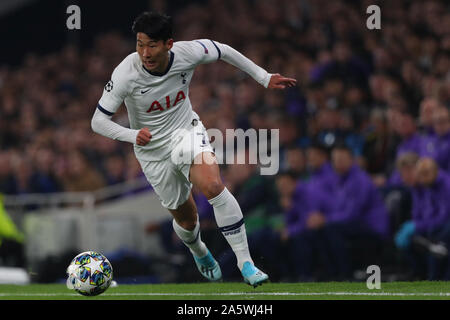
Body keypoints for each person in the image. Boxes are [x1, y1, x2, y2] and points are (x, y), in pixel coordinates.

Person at [90, 12, 296, 287]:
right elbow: (98, 121)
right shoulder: (126, 73)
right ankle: (199, 250)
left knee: (212, 186)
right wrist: (131, 134)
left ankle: (246, 263)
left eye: (152, 45)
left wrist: (263, 77)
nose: (145, 52)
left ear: (169, 44)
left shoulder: (188, 53)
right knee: (187, 220)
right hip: (151, 151)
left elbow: (223, 50)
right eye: (140, 44)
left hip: (186, 132)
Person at [395, 158, 450, 280]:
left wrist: (419, 226)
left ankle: (435, 279)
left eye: (426, 173)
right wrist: (417, 225)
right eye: (421, 174)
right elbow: (421, 213)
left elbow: (444, 217)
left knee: (436, 241)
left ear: (435, 171)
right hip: (433, 227)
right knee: (415, 240)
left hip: (443, 229)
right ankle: (421, 275)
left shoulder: (445, 185)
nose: (422, 177)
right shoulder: (425, 186)